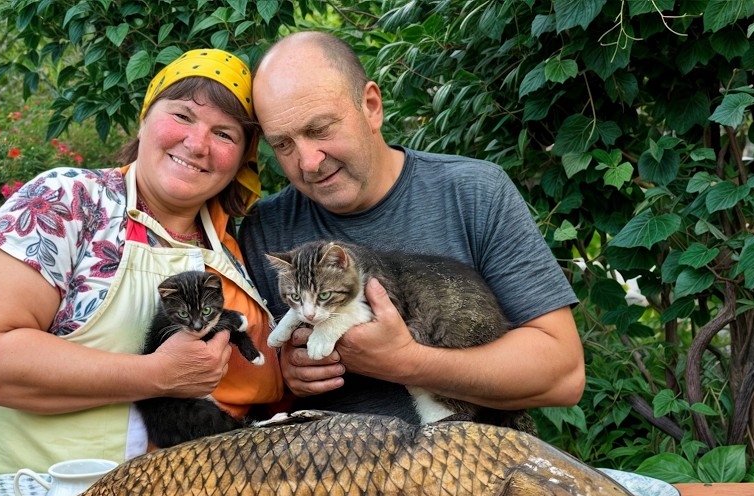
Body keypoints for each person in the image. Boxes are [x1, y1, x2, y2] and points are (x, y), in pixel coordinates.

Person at [0, 49, 283, 482]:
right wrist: (157, 375)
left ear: (243, 160)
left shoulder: (236, 248)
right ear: (144, 118)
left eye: (225, 134)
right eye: (182, 115)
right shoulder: (67, 202)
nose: (197, 144)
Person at [237, 31, 584, 421]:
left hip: (475, 462)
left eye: (320, 130)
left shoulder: (474, 193)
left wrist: (406, 362)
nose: (308, 162)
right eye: (283, 144)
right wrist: (284, 375)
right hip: (329, 472)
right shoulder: (265, 228)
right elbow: (251, 381)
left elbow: (563, 376)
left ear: (371, 106)